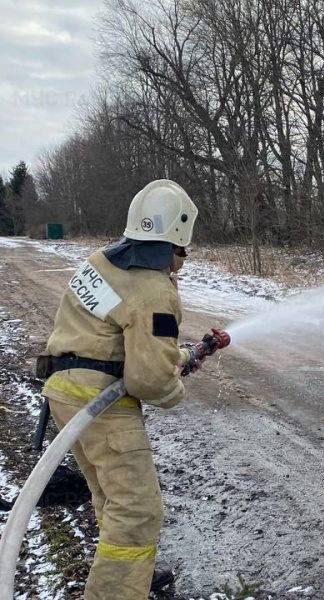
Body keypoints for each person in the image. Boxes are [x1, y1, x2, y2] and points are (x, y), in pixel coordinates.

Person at [41, 180, 198, 599]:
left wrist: (174, 358)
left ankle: (130, 574)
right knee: (138, 510)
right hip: (101, 404)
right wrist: (173, 386)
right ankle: (115, 592)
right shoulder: (153, 289)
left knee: (111, 497)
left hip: (63, 391)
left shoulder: (101, 261)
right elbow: (148, 381)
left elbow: (112, 337)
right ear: (181, 231)